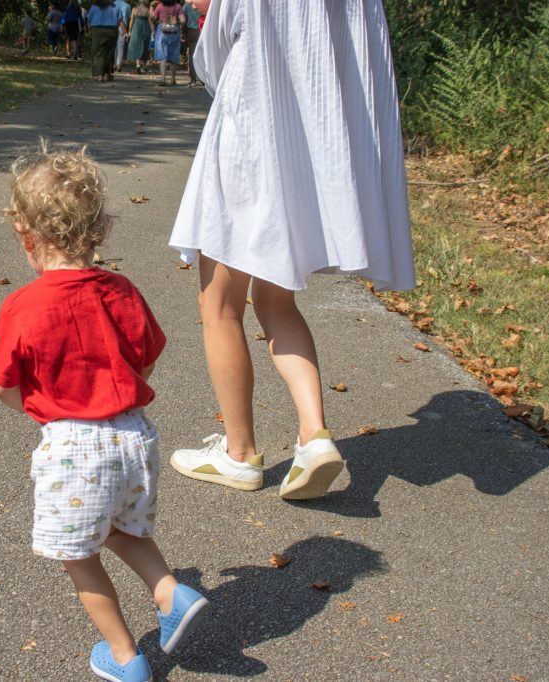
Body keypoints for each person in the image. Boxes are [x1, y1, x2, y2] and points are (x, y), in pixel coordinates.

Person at [168, 1, 416, 499]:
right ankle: (314, 436)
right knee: (277, 302)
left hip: (249, 141)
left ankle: (239, 455)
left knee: (220, 306)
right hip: (308, 150)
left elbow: (215, 54)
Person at [0, 144, 208, 682]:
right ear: (99, 229)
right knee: (120, 529)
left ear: (27, 237)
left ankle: (126, 658)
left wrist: (42, 413)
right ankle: (170, 592)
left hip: (72, 445)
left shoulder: (25, 305)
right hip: (134, 437)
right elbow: (147, 354)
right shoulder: (122, 291)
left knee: (80, 558)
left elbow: (0, 383)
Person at [89, 0, 128, 82]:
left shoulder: (94, 7)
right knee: (109, 53)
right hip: (111, 31)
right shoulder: (115, 7)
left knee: (98, 53)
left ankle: (99, 75)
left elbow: (89, 19)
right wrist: (125, 32)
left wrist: (89, 30)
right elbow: (120, 21)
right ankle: (108, 74)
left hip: (97, 30)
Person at [149, 0, 185, 85]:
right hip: (174, 33)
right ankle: (173, 79)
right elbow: (183, 20)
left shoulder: (160, 6)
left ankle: (163, 78)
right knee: (173, 55)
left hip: (162, 33)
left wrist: (151, 7)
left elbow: (153, 18)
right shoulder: (178, 6)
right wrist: (176, 21)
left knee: (163, 56)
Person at [180, 0, 204, 85]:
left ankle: (193, 78)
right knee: (203, 54)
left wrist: (182, 32)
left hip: (191, 31)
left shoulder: (187, 5)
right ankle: (203, 78)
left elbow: (183, 20)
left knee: (192, 54)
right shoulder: (202, 3)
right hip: (202, 30)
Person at [126, 0, 152, 73]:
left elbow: (131, 21)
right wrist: (153, 32)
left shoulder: (134, 9)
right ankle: (144, 66)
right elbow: (150, 22)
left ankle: (138, 65)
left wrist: (129, 31)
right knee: (145, 45)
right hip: (145, 28)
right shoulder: (147, 10)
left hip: (136, 28)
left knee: (137, 45)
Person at [113, 0, 133, 72]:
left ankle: (113, 64)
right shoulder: (128, 6)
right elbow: (129, 18)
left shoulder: (114, 3)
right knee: (120, 46)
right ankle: (118, 65)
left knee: (114, 46)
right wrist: (127, 31)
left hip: (114, 25)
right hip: (123, 26)